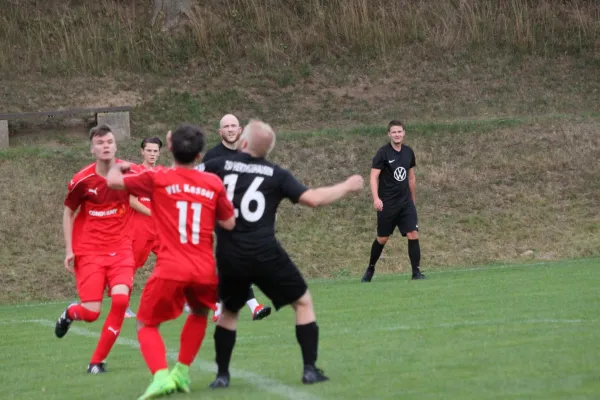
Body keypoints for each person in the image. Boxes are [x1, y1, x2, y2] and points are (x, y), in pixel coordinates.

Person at [199, 120, 364, 387]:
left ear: (243, 142)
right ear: (268, 151)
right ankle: (310, 369)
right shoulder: (276, 174)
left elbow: (187, 177)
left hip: (231, 254)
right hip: (266, 252)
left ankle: (222, 376)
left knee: (229, 311)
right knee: (303, 302)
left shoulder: (218, 165)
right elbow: (314, 199)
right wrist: (346, 185)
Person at [107, 124, 236, 399]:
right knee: (200, 313)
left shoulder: (159, 178)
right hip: (203, 266)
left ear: (169, 149)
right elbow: (228, 221)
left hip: (171, 265)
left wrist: (122, 167)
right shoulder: (213, 182)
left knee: (145, 323)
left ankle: (161, 375)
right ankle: (183, 371)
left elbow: (113, 182)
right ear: (200, 155)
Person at [54, 124, 138, 374]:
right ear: (92, 149)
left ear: (116, 145)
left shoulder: (129, 172)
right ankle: (71, 313)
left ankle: (96, 362)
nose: (105, 146)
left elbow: (154, 183)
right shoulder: (82, 180)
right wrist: (69, 249)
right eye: (100, 143)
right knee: (91, 313)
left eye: (109, 142)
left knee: (121, 300)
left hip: (121, 249)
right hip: (90, 251)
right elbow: (69, 211)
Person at [203, 113, 271, 322]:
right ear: (220, 132)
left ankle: (216, 305)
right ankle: (252, 306)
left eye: (234, 126)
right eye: (226, 126)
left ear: (240, 129)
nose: (231, 129)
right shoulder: (212, 156)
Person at [361, 120, 425, 282]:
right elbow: (373, 177)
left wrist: (413, 200)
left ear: (404, 133)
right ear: (389, 134)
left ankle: (416, 272)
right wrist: (376, 198)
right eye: (394, 132)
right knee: (383, 238)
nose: (397, 135)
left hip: (405, 203)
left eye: (400, 132)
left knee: (413, 233)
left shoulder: (408, 152)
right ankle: (370, 269)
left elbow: (411, 177)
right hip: (388, 204)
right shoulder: (383, 153)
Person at [125, 136, 163, 318]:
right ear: (142, 151)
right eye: (149, 150)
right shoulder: (136, 172)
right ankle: (123, 306)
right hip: (139, 228)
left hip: (158, 230)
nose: (152, 154)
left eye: (155, 151)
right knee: (130, 266)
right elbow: (132, 201)